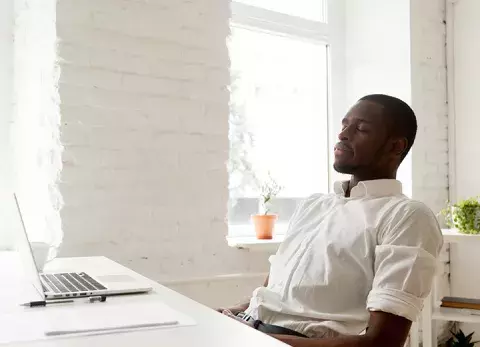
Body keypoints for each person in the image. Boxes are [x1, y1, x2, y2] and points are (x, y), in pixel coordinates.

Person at [219, 94, 443, 347]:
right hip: (250, 330)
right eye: (344, 125)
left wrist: (259, 341)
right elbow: (272, 293)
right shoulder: (313, 205)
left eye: (361, 128)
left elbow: (382, 343)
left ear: (395, 147)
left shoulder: (407, 216)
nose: (343, 134)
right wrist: (228, 316)